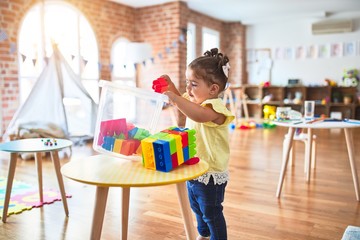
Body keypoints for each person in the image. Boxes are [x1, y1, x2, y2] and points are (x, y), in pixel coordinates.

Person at [160, 48, 235, 240]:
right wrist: (171, 88)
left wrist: (175, 98)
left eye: (193, 84)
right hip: (194, 167)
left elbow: (198, 115)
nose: (188, 89)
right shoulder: (195, 101)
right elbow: (183, 102)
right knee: (196, 208)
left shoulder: (215, 107)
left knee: (211, 212)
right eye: (187, 83)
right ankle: (204, 234)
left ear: (213, 90)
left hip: (211, 172)